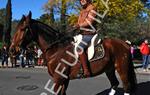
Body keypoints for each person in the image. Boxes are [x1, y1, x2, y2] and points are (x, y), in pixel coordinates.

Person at [74, 0, 97, 77]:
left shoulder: (92, 8)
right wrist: (75, 26)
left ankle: (86, 70)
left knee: (79, 48)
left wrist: (79, 25)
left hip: (89, 33)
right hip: (82, 33)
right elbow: (79, 22)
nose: (82, 0)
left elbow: (89, 22)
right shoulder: (82, 11)